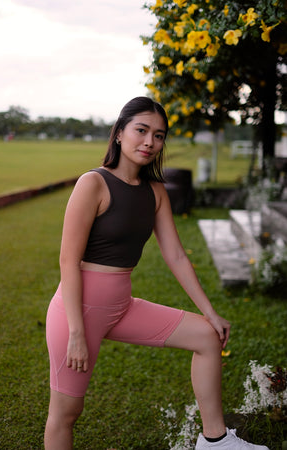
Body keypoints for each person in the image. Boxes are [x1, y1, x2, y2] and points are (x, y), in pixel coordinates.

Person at [44, 97, 269, 450]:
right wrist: (76, 332)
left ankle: (215, 442)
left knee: (207, 337)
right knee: (67, 412)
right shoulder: (93, 184)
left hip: (122, 306)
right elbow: (68, 261)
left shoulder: (155, 191)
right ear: (119, 134)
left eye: (159, 135)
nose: (150, 141)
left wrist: (211, 313)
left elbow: (177, 256)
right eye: (141, 130)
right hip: (79, 313)